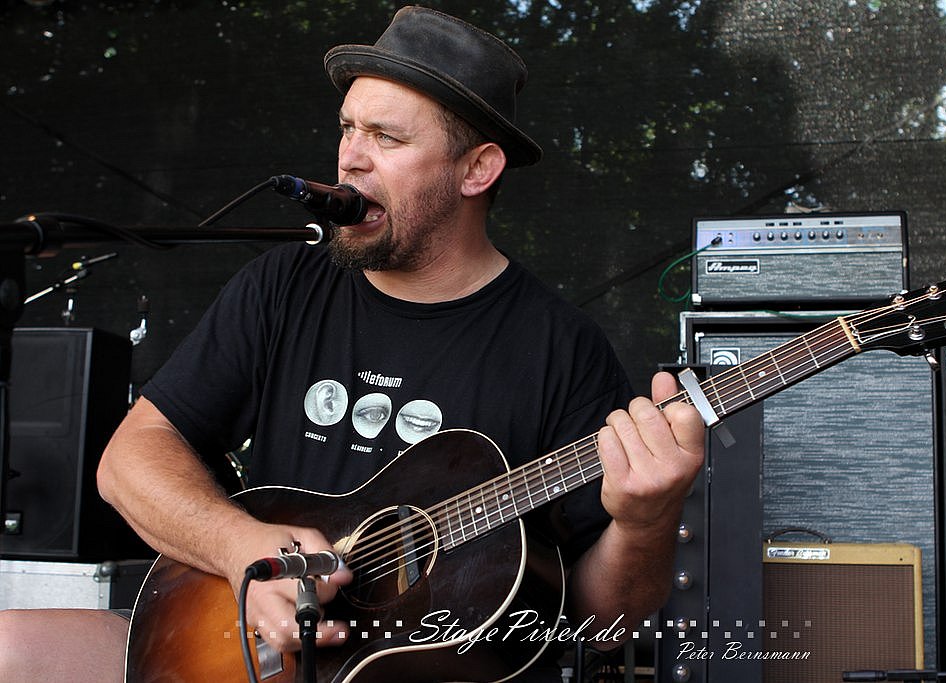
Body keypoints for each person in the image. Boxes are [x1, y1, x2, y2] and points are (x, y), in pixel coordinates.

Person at [0, 6, 704, 682]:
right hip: (235, 648)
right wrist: (241, 547)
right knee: (13, 647)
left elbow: (602, 621)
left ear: (477, 170)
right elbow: (128, 461)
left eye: (387, 138)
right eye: (347, 128)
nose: (350, 160)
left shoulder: (560, 348)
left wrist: (647, 517)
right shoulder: (283, 285)